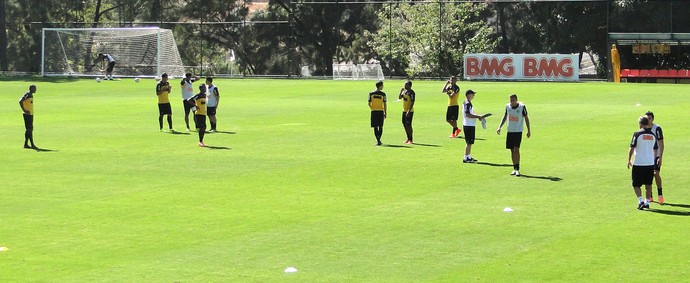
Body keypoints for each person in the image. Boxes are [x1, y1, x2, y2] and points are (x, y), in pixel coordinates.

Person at [627, 116, 658, 210]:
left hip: (639, 163)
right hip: (649, 163)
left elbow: (632, 147)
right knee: (648, 184)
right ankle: (647, 202)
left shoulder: (637, 134)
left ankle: (640, 201)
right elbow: (655, 149)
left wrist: (629, 159)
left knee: (636, 184)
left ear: (640, 124)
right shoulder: (653, 135)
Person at [496, 94, 531, 176]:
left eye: (513, 100)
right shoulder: (508, 106)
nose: (512, 102)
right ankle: (514, 168)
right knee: (511, 150)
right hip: (510, 131)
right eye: (510, 100)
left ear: (516, 100)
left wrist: (529, 130)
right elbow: (505, 116)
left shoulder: (522, 107)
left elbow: (526, 118)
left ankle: (518, 169)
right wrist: (499, 127)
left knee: (516, 149)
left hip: (518, 131)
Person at [461, 89, 487, 163]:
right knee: (469, 142)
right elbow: (468, 114)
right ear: (469, 95)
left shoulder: (467, 103)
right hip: (468, 125)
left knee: (470, 142)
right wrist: (478, 116)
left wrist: (477, 117)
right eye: (473, 94)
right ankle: (466, 157)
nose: (473, 96)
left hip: (469, 124)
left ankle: (468, 156)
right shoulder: (467, 103)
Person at [645, 111, 665, 204]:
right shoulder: (643, 128)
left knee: (656, 173)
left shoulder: (657, 129)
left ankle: (660, 194)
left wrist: (660, 157)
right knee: (648, 175)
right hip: (647, 155)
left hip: (656, 155)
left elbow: (661, 143)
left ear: (653, 119)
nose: (648, 120)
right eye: (647, 118)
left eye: (650, 118)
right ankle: (650, 196)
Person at [19, 85, 38, 149]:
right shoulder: (28, 94)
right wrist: (24, 110)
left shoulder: (30, 95)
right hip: (27, 114)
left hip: (30, 114)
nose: (35, 90)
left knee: (29, 129)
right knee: (29, 129)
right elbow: (20, 101)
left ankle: (26, 144)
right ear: (31, 89)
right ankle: (32, 144)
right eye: (34, 88)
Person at [368, 80, 387, 146]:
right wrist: (385, 112)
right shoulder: (383, 94)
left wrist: (372, 108)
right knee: (380, 126)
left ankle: (378, 140)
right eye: (382, 85)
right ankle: (378, 140)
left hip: (374, 111)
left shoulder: (371, 93)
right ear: (380, 86)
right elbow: (384, 104)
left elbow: (369, 103)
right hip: (380, 111)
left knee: (375, 127)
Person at [398, 80, 415, 144]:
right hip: (404, 110)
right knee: (404, 124)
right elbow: (399, 97)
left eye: (406, 84)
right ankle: (408, 138)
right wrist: (401, 91)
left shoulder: (411, 92)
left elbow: (412, 102)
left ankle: (411, 139)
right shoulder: (405, 92)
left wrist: (409, 111)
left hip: (409, 111)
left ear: (410, 85)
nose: (405, 85)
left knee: (408, 125)